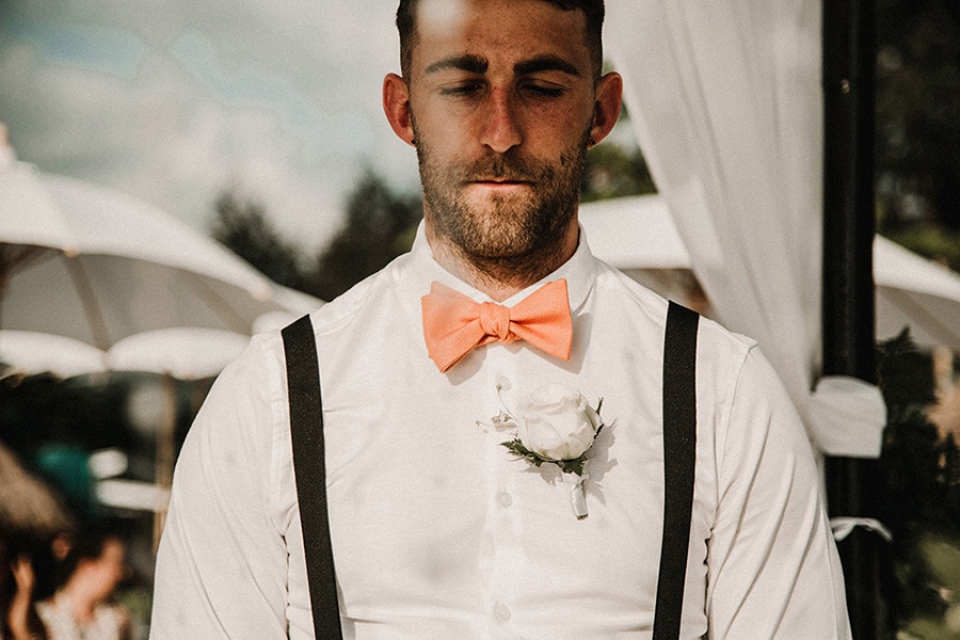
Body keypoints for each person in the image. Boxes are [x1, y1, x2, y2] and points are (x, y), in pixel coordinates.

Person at [151, 0, 853, 637]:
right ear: (403, 111)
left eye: (543, 87)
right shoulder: (267, 400)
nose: (500, 131)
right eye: (460, 87)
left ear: (602, 110)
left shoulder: (726, 395)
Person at [36, 528, 131, 640]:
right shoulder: (43, 618)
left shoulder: (116, 621)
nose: (121, 574)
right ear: (87, 566)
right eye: (115, 563)